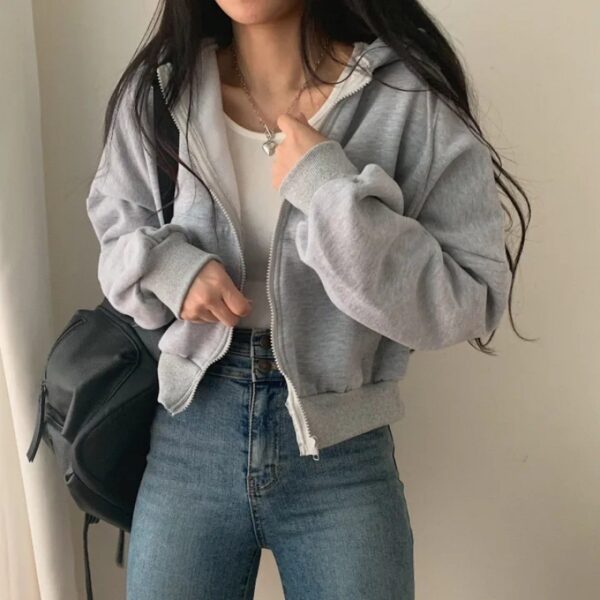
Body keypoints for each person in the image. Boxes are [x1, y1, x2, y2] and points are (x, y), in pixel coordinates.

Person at [85, 1, 530, 598]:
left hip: (342, 451)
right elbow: (115, 236)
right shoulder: (164, 93)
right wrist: (167, 267)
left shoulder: (405, 100)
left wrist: (325, 187)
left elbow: (470, 296)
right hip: (190, 432)